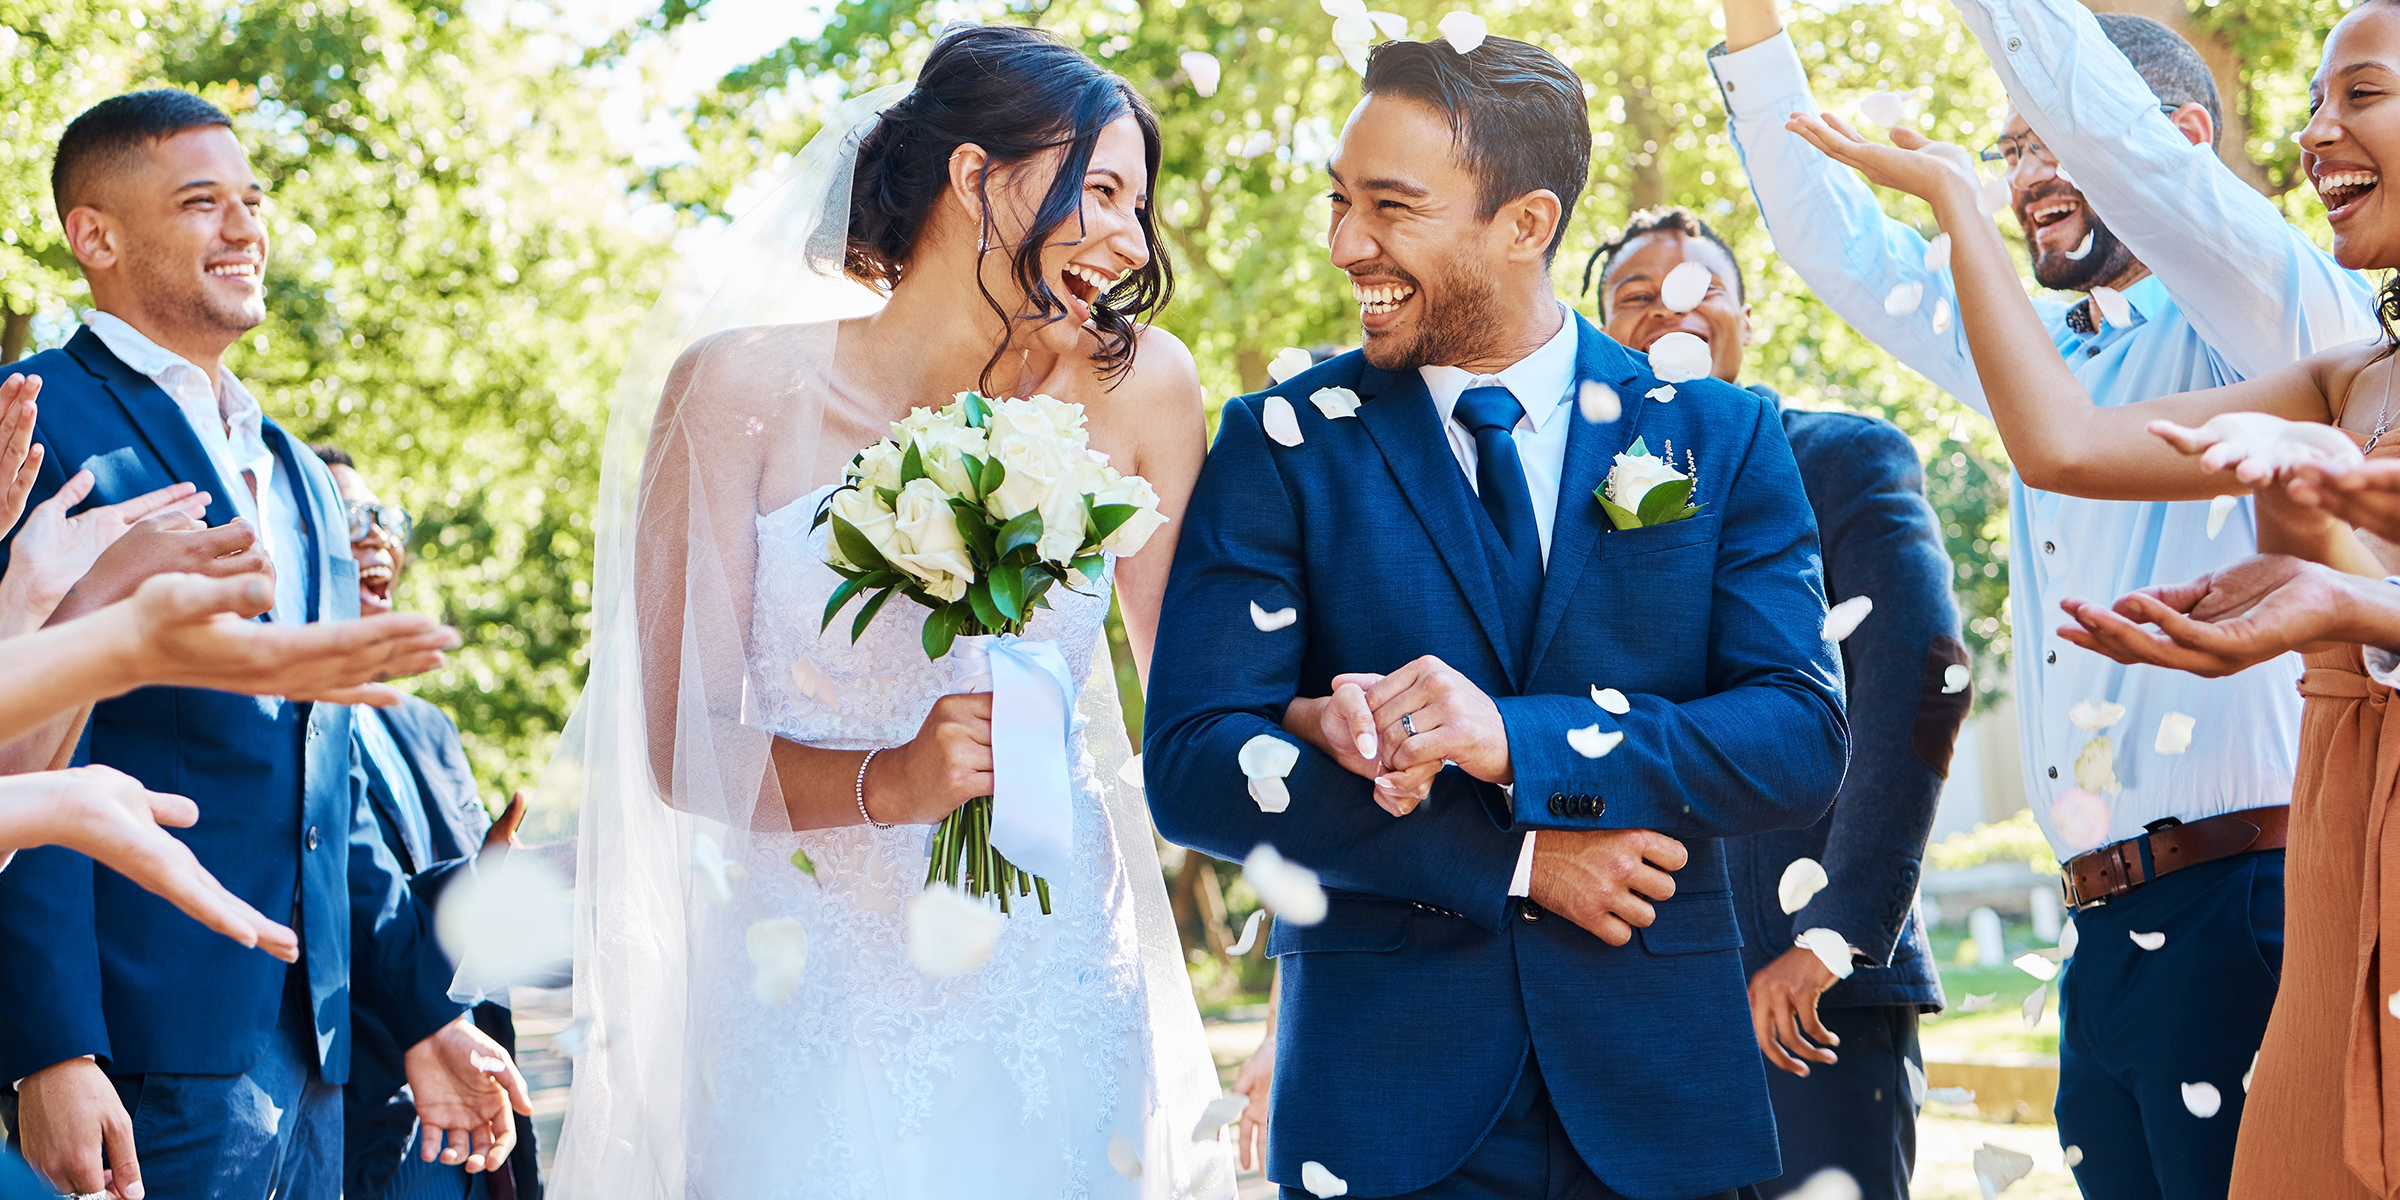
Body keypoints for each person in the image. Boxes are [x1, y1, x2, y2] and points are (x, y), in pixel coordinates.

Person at [1145, 34, 1848, 1199]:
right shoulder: (1280, 444)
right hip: (1382, 1105)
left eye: (1390, 207)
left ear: (1526, 224)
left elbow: (1798, 736)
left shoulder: (1722, 437)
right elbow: (1194, 760)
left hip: (1662, 1100)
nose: (1346, 244)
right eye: (1339, 200)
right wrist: (1518, 859)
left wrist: (1516, 741)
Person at [1712, 0, 2382, 1191]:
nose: (2022, 173)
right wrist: (1750, 22)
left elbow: (2117, 138)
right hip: (2102, 932)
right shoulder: (2046, 362)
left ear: (2171, 135)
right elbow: (1844, 246)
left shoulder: (2264, 314)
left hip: (2253, 902)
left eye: (2043, 140)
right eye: (2007, 148)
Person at [553, 26, 1233, 1199]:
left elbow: (1202, 699)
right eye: (1104, 191)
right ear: (976, 177)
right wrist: (893, 782)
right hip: (811, 987)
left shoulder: (1141, 387)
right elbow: (683, 745)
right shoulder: (736, 393)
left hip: (1057, 984)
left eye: (1139, 204)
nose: (1130, 240)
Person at [0, 89, 523, 1200]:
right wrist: (48, 1046)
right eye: (203, 203)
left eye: (252, 200)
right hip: (136, 1051)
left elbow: (318, 782)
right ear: (93, 234)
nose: (245, 230)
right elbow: (15, 744)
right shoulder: (33, 419)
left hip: (319, 1061)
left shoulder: (293, 468)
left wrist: (422, 1018)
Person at [1588, 205, 1963, 1199]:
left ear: (1747, 317)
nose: (1675, 299)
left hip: (1809, 996)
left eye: (1705, 281)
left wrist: (1832, 937)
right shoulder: (1573, 515)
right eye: (1638, 291)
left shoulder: (1842, 460)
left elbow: (1920, 688)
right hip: (1631, 1008)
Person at [316, 444, 543, 1200]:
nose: (379, 534)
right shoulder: (277, 723)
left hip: (473, 1095)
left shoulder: (427, 726)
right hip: (361, 1099)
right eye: (353, 516)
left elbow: (471, 893)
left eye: (389, 518)